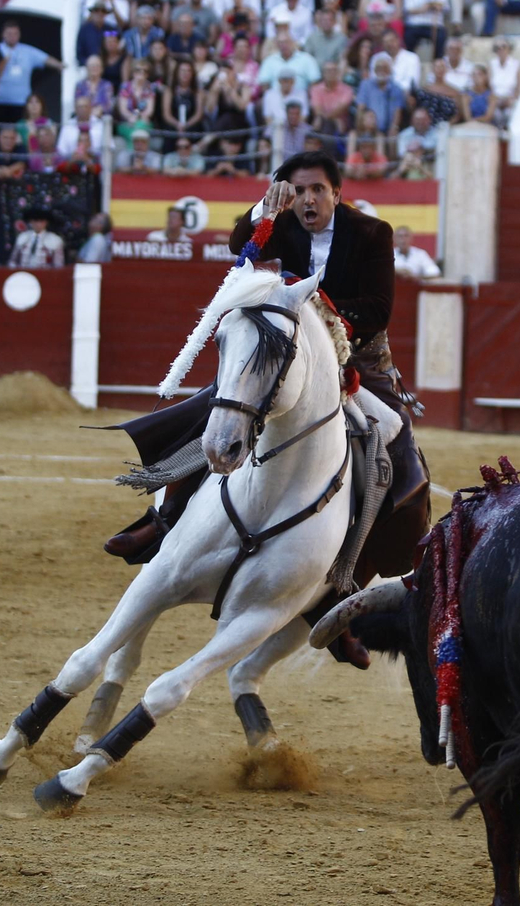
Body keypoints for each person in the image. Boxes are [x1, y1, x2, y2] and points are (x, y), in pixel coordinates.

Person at [102, 150, 428, 670]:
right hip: (287, 356)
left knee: (397, 450)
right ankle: (162, 522)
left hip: (357, 361)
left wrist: (327, 328)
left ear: (337, 194)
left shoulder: (372, 234)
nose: (309, 200)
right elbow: (240, 247)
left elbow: (378, 310)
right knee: (219, 405)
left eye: (318, 189)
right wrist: (263, 210)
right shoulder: (282, 223)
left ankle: (338, 592)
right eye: (299, 190)